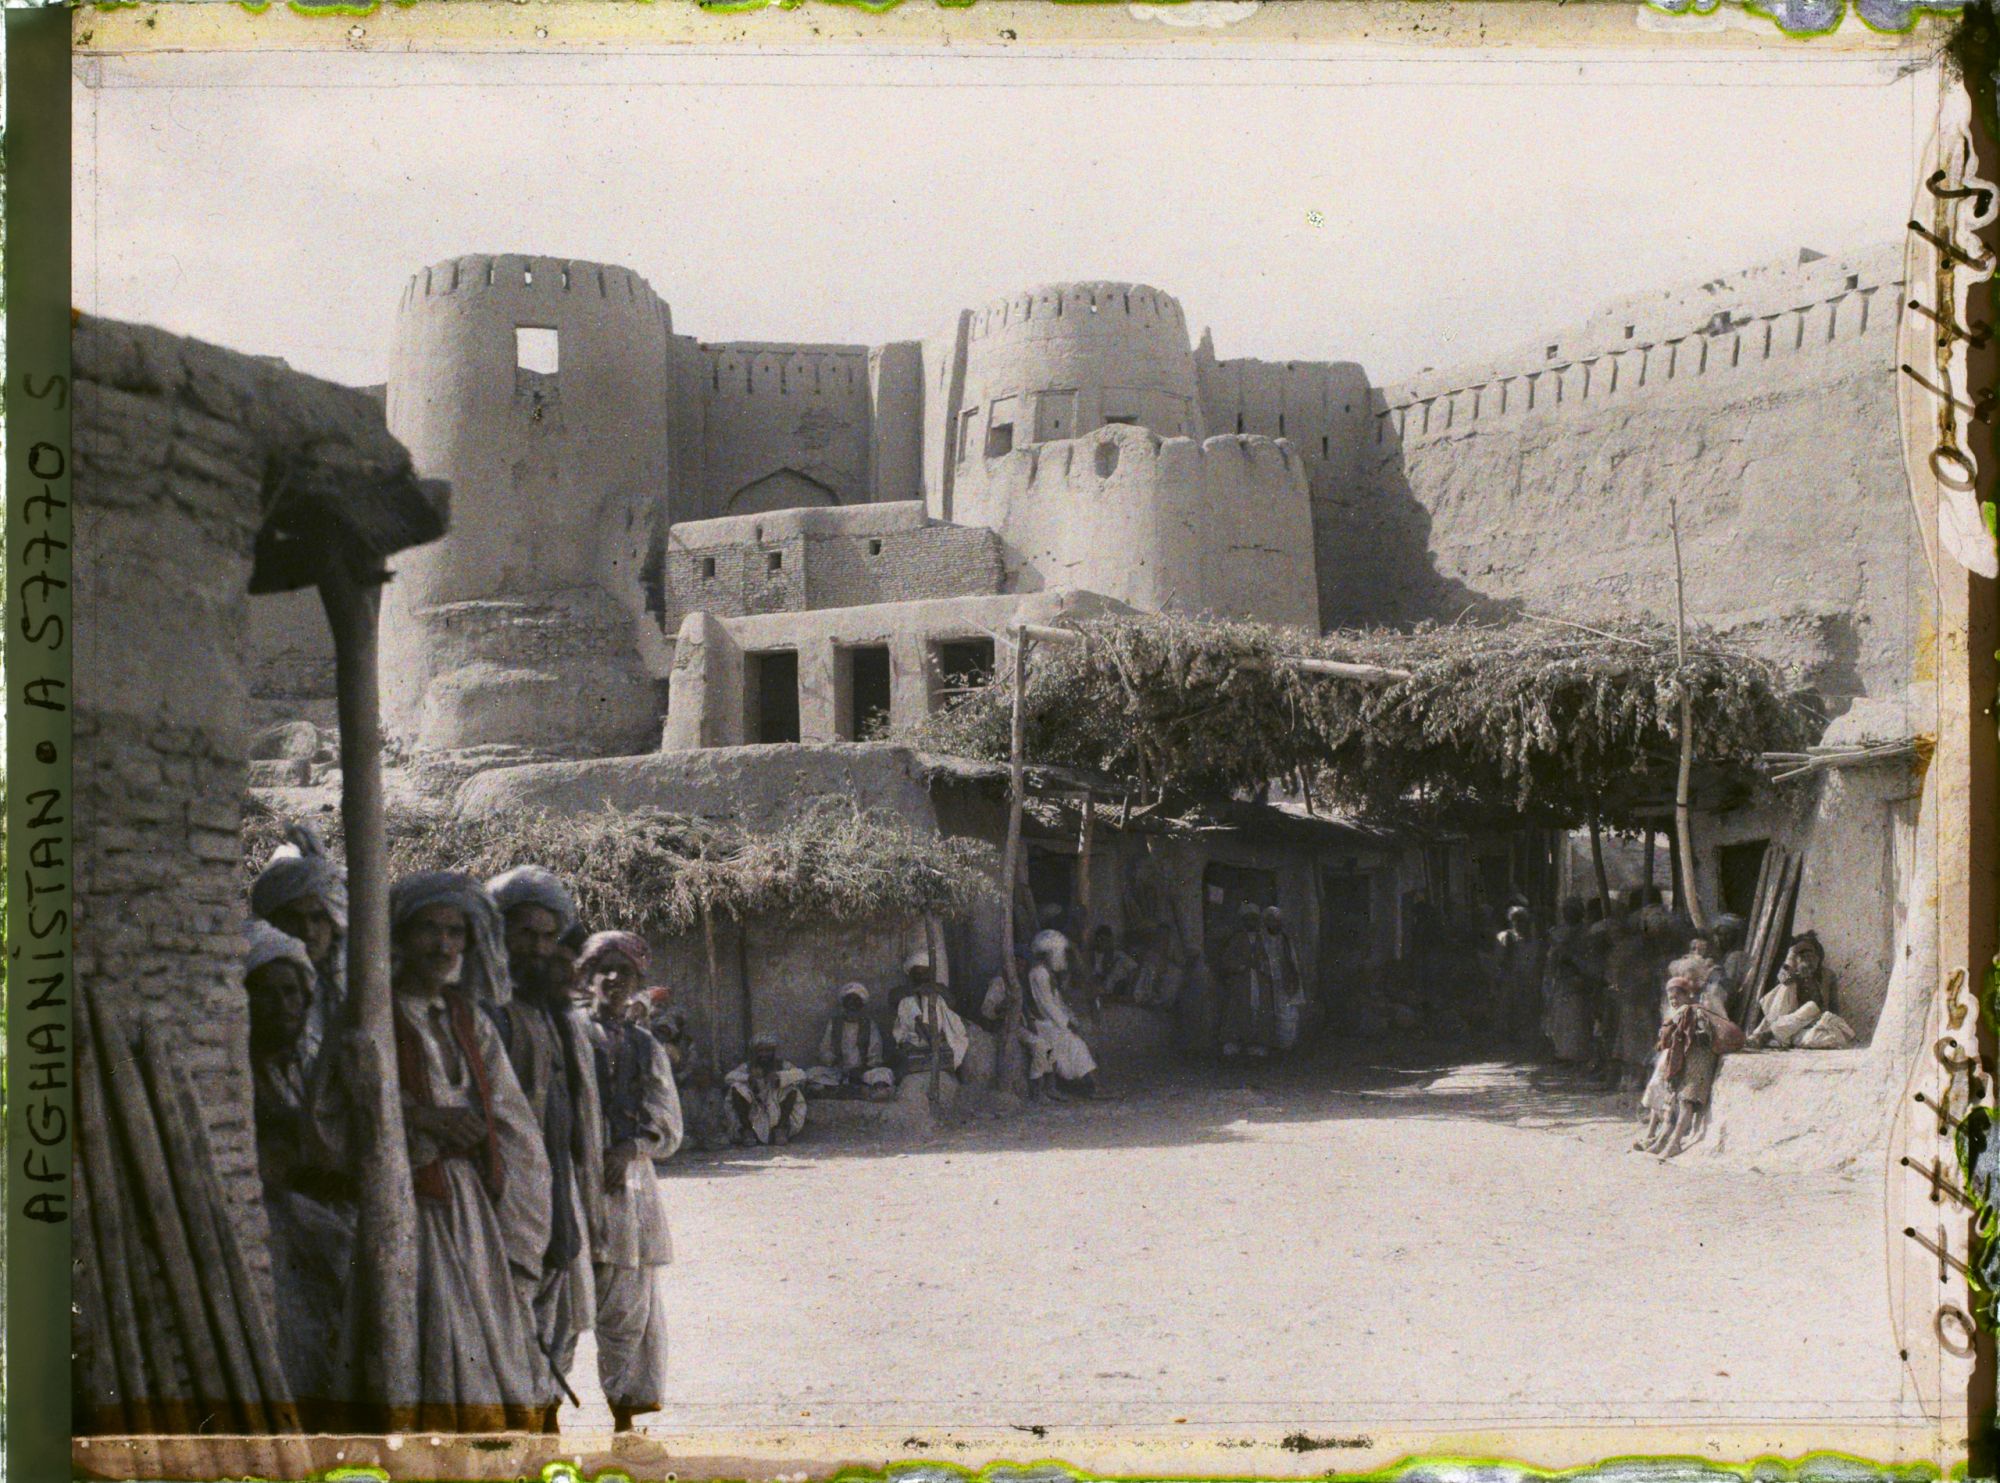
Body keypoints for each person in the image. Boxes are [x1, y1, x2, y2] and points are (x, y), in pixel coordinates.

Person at [317, 871, 553, 1431]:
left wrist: (522, 1225)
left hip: (470, 1211)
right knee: (415, 1343)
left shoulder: (468, 1020)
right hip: (403, 1207)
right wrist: (420, 1119)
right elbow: (330, 1118)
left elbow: (514, 1125)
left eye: (455, 932)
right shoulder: (368, 1017)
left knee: (485, 1343)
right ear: (399, 936)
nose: (443, 945)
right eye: (428, 929)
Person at [483, 864, 604, 1432]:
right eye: (524, 933)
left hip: (557, 1199)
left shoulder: (554, 1018)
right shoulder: (490, 1017)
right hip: (505, 1207)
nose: (537, 948)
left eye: (547, 936)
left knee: (554, 1338)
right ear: (497, 933)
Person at [243, 922, 356, 1426]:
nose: (282, 1005)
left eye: (291, 992)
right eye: (265, 994)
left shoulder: (306, 1069)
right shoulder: (239, 1077)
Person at [578, 931, 685, 1434]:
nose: (614, 979)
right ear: (587, 976)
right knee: (557, 1309)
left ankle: (627, 1426)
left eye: (625, 971)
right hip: (571, 1184)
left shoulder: (645, 1046)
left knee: (629, 1314)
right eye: (604, 968)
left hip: (627, 1191)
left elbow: (668, 1122)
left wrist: (634, 1146)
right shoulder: (567, 1036)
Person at [249, 822, 347, 1072]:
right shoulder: (257, 984)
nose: (308, 932)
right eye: (293, 919)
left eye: (317, 918)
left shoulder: (347, 983)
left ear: (333, 922)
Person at [1023, 928, 1097, 1098]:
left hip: (1052, 1022)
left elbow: (1058, 1002)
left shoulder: (1046, 972)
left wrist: (1071, 1019)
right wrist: (1066, 1023)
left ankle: (1089, 1086)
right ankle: (1088, 1086)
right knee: (1074, 1044)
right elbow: (1046, 1005)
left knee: (1076, 1045)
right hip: (1044, 1024)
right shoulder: (1039, 973)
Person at [807, 984, 896, 1100]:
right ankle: (857, 1091)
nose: (852, 1007)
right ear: (844, 1005)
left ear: (861, 1006)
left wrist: (862, 1069)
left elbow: (875, 1054)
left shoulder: (869, 1025)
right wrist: (835, 1062)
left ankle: (841, 1090)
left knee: (884, 1074)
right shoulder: (834, 1023)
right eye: (849, 1003)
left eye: (856, 1003)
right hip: (838, 1071)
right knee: (812, 1073)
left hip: (862, 1072)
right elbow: (824, 1049)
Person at [891, 953, 970, 1079]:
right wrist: (917, 990)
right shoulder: (904, 994)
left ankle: (934, 1041)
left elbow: (952, 1003)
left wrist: (934, 989)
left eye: (925, 973)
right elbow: (893, 997)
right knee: (908, 1002)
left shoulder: (938, 990)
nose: (921, 976)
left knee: (934, 1000)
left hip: (939, 1032)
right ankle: (930, 1040)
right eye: (917, 973)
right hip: (914, 1036)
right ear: (911, 975)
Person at [1217, 903, 1279, 1059]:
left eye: (1254, 919)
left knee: (1261, 1009)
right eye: (1248, 919)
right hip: (1242, 981)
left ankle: (1259, 1044)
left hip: (1260, 981)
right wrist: (1242, 966)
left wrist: (1262, 966)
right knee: (1238, 1009)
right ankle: (1234, 1043)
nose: (1251, 922)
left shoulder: (1265, 940)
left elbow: (1273, 960)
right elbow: (1226, 961)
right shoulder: (1237, 939)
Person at [726, 1034, 809, 1145]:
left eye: (768, 1051)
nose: (764, 1054)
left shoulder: (782, 1065)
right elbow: (728, 1077)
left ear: (773, 1051)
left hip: (776, 1107)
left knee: (792, 1089)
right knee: (736, 1088)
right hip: (754, 1108)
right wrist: (749, 1077)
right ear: (755, 1052)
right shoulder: (747, 1066)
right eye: (761, 1051)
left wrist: (780, 1077)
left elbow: (802, 1074)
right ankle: (747, 1131)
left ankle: (781, 1129)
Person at [1541, 898, 1594, 1064]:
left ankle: (1577, 1055)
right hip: (1561, 979)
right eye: (1565, 911)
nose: (1568, 914)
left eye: (1571, 911)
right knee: (1560, 1018)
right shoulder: (1557, 931)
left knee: (1576, 1017)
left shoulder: (1586, 931)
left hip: (1577, 978)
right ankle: (1562, 1053)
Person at [1261, 905, 1309, 1054]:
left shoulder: (1286, 940)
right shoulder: (1262, 939)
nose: (1273, 923)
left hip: (1285, 978)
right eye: (1270, 920)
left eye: (1276, 920)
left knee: (1288, 1011)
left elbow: (1293, 960)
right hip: (1267, 979)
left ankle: (1287, 1045)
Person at [1494, 904, 1542, 1051]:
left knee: (1526, 1008)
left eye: (1521, 919)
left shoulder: (1532, 940)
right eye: (1515, 919)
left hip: (1528, 978)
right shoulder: (1505, 937)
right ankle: (1508, 1040)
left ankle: (1525, 1040)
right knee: (1508, 1008)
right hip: (1510, 977)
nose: (1518, 923)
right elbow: (1499, 959)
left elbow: (1535, 959)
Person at [1087, 926, 1141, 1003]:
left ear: (1110, 941)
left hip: (1115, 991)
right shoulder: (1091, 955)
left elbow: (1135, 970)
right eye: (1099, 940)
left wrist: (1130, 987)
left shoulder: (1119, 955)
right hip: (1098, 990)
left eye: (1105, 940)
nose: (1101, 943)